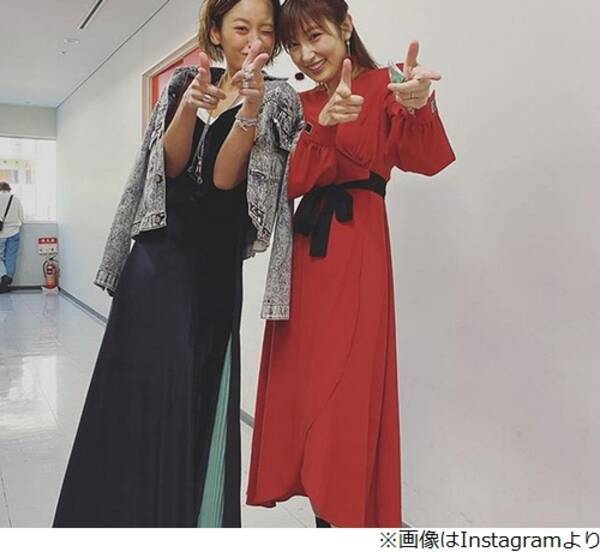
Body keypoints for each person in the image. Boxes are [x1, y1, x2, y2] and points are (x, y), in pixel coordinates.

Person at [53, 0, 300, 528]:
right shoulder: (185, 82)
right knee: (131, 398)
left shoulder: (278, 96)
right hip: (152, 262)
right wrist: (188, 107)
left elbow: (223, 184)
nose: (254, 40)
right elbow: (166, 168)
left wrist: (249, 111)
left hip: (208, 274)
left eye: (265, 30)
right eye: (241, 27)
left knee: (190, 400)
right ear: (216, 30)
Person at [242, 0, 456, 528]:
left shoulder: (388, 84)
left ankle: (343, 516)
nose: (306, 53)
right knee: (307, 389)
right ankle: (322, 511)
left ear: (346, 25)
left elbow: (426, 159)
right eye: (294, 45)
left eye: (315, 36)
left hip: (359, 253)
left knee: (348, 392)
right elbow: (286, 184)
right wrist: (324, 127)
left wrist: (419, 105)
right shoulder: (297, 103)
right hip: (303, 265)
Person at [0, 181, 25, 293]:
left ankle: (3, 275)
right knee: (11, 257)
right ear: (9, 189)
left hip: (1, 233)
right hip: (14, 232)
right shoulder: (16, 199)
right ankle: (8, 279)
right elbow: (22, 218)